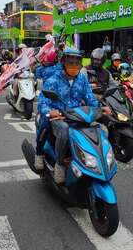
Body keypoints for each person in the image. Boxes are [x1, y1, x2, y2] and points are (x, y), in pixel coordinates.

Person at [37, 48, 103, 183]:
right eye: (70, 63)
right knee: (64, 131)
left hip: (78, 116)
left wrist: (101, 109)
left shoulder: (82, 79)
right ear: (63, 63)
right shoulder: (53, 80)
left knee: (101, 130)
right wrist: (50, 112)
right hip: (59, 116)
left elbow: (90, 98)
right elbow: (42, 103)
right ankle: (58, 163)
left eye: (76, 63)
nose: (73, 66)